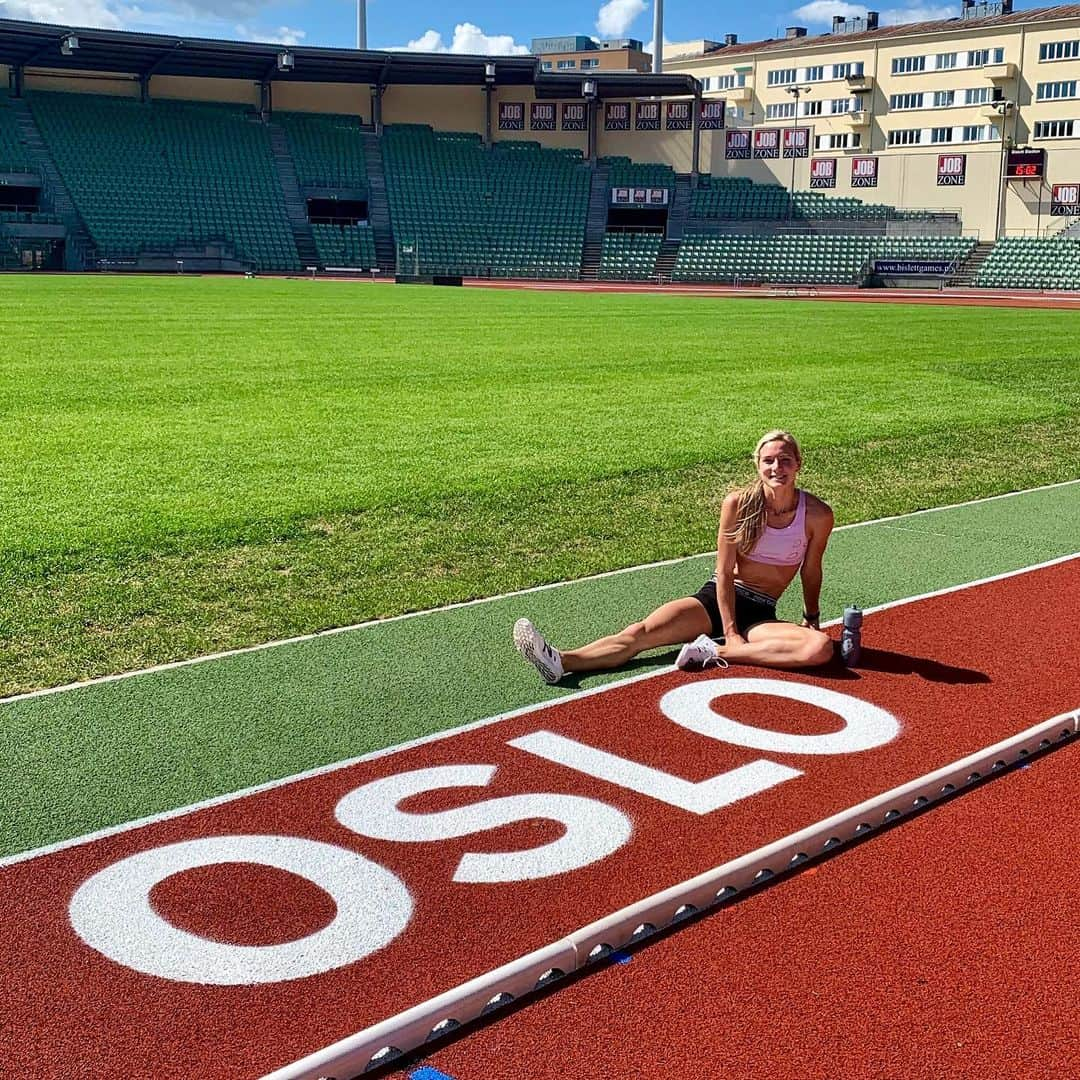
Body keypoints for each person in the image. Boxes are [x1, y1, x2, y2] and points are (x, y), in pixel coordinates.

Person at [513, 430, 835, 684]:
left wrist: (812, 616)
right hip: (716, 601)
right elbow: (723, 573)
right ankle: (560, 660)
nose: (776, 468)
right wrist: (732, 630)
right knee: (639, 635)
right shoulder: (738, 504)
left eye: (785, 460)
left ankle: (714, 651)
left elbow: (811, 570)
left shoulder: (817, 515)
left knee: (818, 648)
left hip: (762, 610)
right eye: (768, 461)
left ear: (798, 463)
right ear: (757, 464)